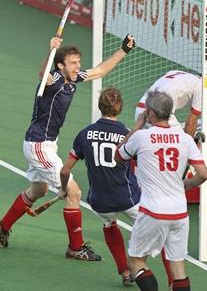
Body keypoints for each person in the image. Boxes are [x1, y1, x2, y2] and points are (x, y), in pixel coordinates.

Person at [0, 34, 135, 262]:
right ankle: (76, 247)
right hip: (39, 146)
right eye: (73, 63)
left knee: (39, 190)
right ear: (60, 65)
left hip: (43, 144)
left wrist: (123, 50)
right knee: (74, 192)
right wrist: (51, 50)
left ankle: (3, 226)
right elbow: (43, 75)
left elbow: (100, 71)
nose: (78, 67)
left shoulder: (72, 79)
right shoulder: (55, 78)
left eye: (78, 62)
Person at [60, 86, 172, 286]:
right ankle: (171, 277)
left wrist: (63, 188)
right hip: (128, 198)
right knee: (164, 229)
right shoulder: (127, 134)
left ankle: (124, 271)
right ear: (119, 107)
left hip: (99, 201)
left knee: (109, 223)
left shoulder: (84, 134)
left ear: (100, 106)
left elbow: (64, 171)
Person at [115, 90, 207, 291]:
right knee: (178, 269)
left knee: (135, 261)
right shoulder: (184, 139)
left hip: (152, 211)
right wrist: (187, 184)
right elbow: (203, 174)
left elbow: (118, 156)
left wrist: (135, 127)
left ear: (150, 113)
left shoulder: (141, 137)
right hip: (179, 213)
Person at [135, 68, 207, 137]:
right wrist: (190, 147)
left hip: (140, 111)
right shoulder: (202, 86)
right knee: (181, 143)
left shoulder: (177, 73)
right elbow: (191, 121)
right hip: (157, 114)